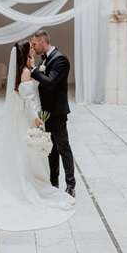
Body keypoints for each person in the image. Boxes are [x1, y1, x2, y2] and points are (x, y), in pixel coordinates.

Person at [0, 40, 75, 231]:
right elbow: (29, 100)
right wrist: (37, 119)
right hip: (30, 117)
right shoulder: (25, 71)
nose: (33, 49)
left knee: (42, 150)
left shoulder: (28, 68)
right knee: (31, 152)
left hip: (35, 114)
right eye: (30, 48)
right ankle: (31, 182)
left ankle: (49, 180)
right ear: (25, 52)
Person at [30, 29, 76, 197]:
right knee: (51, 150)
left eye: (35, 44)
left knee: (63, 147)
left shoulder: (60, 59)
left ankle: (71, 185)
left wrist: (34, 70)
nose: (33, 48)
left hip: (57, 112)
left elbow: (50, 83)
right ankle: (53, 182)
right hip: (45, 112)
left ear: (43, 42)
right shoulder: (45, 59)